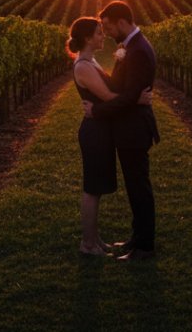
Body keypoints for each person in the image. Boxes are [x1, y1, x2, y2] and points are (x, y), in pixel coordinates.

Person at [67, 16, 152, 257]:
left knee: (98, 186)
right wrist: (137, 99)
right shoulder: (83, 66)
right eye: (98, 33)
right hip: (94, 131)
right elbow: (106, 95)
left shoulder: (90, 60)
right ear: (87, 38)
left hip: (102, 128)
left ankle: (96, 239)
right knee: (92, 187)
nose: (103, 36)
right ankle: (88, 244)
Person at [83, 0, 160, 261]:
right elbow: (121, 87)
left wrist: (96, 111)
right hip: (131, 128)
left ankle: (145, 247)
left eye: (109, 26)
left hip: (134, 130)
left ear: (122, 22)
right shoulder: (131, 46)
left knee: (139, 189)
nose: (108, 32)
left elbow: (128, 97)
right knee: (135, 186)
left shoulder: (137, 50)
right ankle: (137, 238)